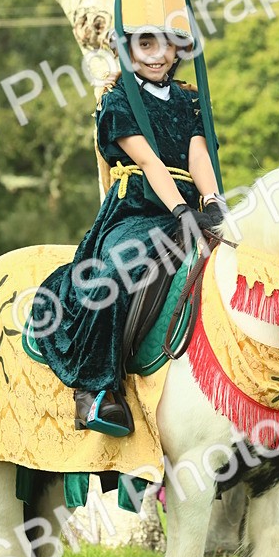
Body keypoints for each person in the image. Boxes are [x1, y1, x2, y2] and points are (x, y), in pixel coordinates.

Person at [30, 26, 224, 435]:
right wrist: (177, 210)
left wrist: (212, 204)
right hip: (137, 210)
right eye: (146, 44)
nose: (157, 54)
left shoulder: (190, 100)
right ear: (128, 49)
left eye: (166, 44)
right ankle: (95, 391)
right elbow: (151, 163)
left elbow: (199, 156)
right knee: (115, 274)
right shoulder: (118, 101)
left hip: (190, 208)